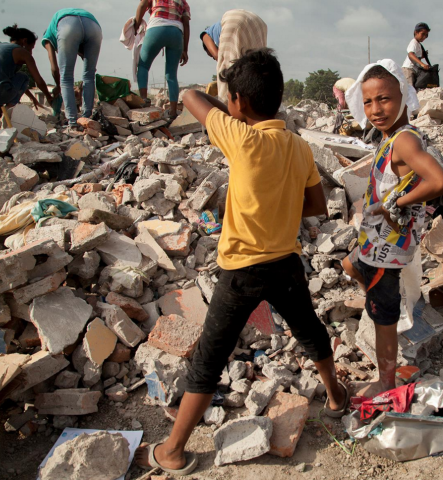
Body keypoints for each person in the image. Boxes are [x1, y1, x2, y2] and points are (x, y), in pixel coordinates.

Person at [133, 49, 349, 475]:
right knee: (309, 330)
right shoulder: (299, 146)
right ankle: (336, 395)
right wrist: (279, 208)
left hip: (241, 271)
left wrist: (229, 108)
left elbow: (192, 95)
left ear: (239, 102)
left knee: (210, 357)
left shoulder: (240, 136)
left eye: (233, 98)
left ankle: (173, 451)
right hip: (286, 263)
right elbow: (316, 205)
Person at [341, 60, 443, 396]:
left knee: (383, 317)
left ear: (402, 97)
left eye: (384, 99)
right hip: (374, 239)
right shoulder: (391, 136)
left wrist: (396, 203)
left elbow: (440, 181)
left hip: (386, 247)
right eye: (368, 102)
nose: (376, 109)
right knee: (349, 264)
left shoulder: (403, 140)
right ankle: (386, 305)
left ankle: (385, 382)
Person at [0, 25, 53, 117]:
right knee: (23, 76)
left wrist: (33, 98)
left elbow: (18, 84)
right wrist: (49, 97)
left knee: (4, 81)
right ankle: (8, 113)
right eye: (31, 48)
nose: (31, 52)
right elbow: (38, 81)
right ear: (24, 41)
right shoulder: (21, 52)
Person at [42, 9, 102, 128]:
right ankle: (87, 119)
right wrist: (80, 88)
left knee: (66, 77)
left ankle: (72, 123)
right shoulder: (78, 36)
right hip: (93, 26)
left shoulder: (49, 37)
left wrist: (59, 86)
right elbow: (89, 69)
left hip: (68, 26)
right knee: (89, 76)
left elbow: (55, 69)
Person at [133, 0, 191, 118]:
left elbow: (143, 4)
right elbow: (186, 24)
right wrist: (185, 49)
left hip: (156, 28)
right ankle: (173, 112)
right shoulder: (183, 2)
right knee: (171, 75)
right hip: (176, 33)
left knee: (143, 66)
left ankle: (144, 101)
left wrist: (136, 25)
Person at [199, 10, 267, 103]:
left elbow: (218, 56)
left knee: (227, 72)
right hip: (258, 24)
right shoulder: (219, 30)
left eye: (210, 56)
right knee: (254, 70)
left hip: (235, 21)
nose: (213, 58)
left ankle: (227, 104)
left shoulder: (206, 35)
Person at [401, 22, 430, 87]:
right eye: (423, 34)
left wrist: (423, 56)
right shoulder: (413, 42)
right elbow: (411, 55)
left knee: (413, 89)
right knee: (410, 89)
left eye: (426, 35)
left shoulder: (418, 44)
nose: (424, 37)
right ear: (416, 32)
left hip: (414, 70)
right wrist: (422, 64)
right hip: (409, 69)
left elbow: (416, 57)